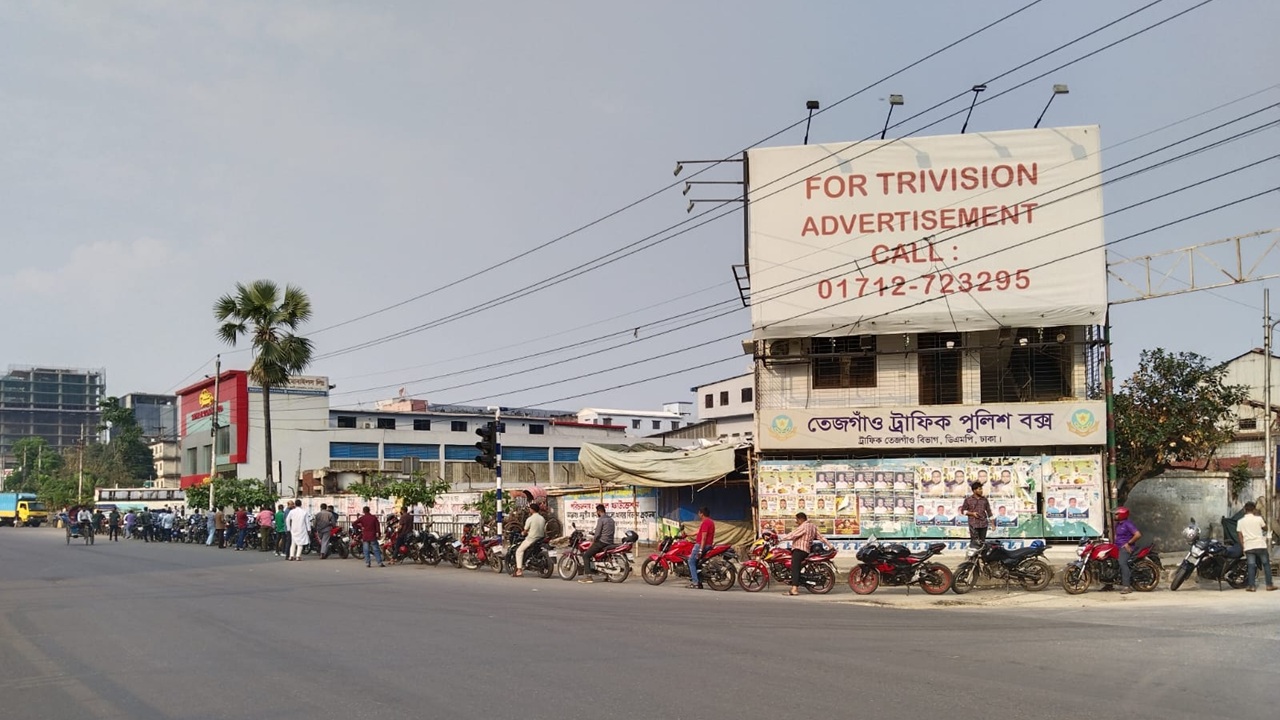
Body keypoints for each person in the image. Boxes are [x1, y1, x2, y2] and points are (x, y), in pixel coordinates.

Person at [779, 512, 830, 596]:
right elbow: (821, 537)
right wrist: (830, 546)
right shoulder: (813, 526)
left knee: (794, 567)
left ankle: (794, 589)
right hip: (806, 550)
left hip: (799, 549)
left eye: (797, 520)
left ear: (800, 519)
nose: (796, 522)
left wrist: (780, 539)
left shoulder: (804, 526)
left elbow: (793, 534)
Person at [1237, 501, 1275, 592]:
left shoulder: (1240, 521)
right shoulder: (1259, 519)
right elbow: (1265, 528)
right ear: (1254, 509)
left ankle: (1251, 586)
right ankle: (1269, 585)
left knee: (1251, 566)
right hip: (1260, 545)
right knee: (1266, 565)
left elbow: (1240, 535)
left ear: (1244, 510)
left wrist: (1243, 546)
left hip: (1249, 546)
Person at [578, 504, 615, 584]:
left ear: (599, 511)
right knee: (602, 557)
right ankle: (607, 575)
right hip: (610, 542)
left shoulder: (601, 520)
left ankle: (588, 577)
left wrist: (593, 541)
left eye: (596, 512)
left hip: (602, 542)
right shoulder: (611, 520)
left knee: (586, 555)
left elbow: (597, 534)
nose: (596, 513)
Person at [1113, 506, 1141, 594]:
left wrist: (1128, 543)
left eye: (1117, 514)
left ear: (1122, 515)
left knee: (1122, 563)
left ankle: (1127, 586)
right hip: (1117, 547)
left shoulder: (1128, 524)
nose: (1115, 515)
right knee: (1111, 562)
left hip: (1126, 548)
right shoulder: (1117, 524)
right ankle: (1108, 584)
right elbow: (1116, 536)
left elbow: (1138, 534)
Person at [513, 502, 547, 577]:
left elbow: (525, 530)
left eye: (530, 509)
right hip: (541, 538)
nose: (529, 510)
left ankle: (519, 570)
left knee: (519, 551)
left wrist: (523, 533)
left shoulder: (530, 519)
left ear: (532, 510)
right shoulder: (542, 518)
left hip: (531, 539)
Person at [687, 507, 715, 590]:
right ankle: (698, 579)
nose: (698, 514)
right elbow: (698, 532)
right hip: (707, 545)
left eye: (699, 513)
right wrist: (686, 534)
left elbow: (704, 537)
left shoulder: (706, 523)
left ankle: (695, 582)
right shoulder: (710, 522)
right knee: (695, 562)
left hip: (701, 545)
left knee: (691, 561)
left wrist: (700, 550)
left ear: (701, 513)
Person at [960, 481, 993, 547]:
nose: (981, 491)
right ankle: (973, 556)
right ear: (974, 490)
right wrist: (972, 514)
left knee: (982, 541)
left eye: (982, 489)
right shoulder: (968, 500)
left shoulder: (984, 500)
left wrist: (993, 523)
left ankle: (981, 556)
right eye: (979, 489)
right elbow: (963, 511)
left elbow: (989, 511)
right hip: (973, 524)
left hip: (983, 524)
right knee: (974, 541)